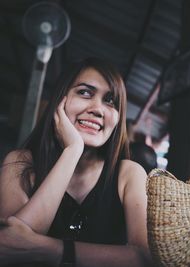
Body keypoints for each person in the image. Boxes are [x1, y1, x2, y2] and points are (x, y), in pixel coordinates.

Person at [0, 57, 153, 267]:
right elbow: (9, 246)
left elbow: (144, 257)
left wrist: (51, 250)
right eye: (85, 92)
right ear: (59, 101)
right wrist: (72, 150)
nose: (98, 109)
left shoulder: (129, 174)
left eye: (110, 100)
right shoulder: (19, 163)